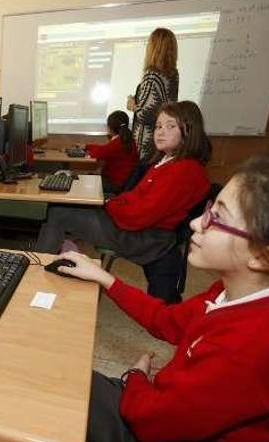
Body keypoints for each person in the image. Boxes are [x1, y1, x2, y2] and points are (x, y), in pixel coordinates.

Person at [52, 155, 269, 442]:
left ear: (264, 256)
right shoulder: (242, 291)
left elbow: (149, 421)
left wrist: (134, 378)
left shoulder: (252, 348)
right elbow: (165, 320)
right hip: (170, 418)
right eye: (210, 208)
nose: (198, 223)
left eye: (217, 218)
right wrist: (106, 279)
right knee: (64, 376)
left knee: (53, 385)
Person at [34, 101, 211, 266]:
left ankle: (35, 268)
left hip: (143, 239)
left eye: (170, 126)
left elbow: (141, 214)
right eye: (158, 126)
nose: (160, 131)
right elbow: (136, 196)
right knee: (65, 210)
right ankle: (56, 254)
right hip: (137, 229)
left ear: (188, 131)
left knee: (58, 214)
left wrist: (110, 205)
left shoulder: (184, 170)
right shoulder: (170, 161)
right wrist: (113, 203)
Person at [129, 28, 179, 163]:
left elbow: (145, 114)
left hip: (145, 142)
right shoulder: (173, 75)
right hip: (163, 138)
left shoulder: (152, 75)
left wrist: (133, 106)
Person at [85, 110, 138, 193]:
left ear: (110, 127)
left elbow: (98, 153)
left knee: (86, 181)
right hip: (122, 182)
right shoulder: (128, 140)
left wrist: (86, 147)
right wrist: (88, 146)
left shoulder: (117, 143)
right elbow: (104, 149)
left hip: (115, 184)